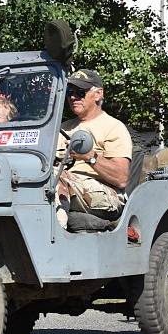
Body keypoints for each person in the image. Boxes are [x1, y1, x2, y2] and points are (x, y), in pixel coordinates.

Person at [55, 69, 132, 228]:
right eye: (70, 92)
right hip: (67, 185)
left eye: (80, 92)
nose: (73, 97)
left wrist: (90, 157)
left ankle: (53, 234)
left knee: (54, 177)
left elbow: (121, 178)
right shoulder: (63, 128)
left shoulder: (113, 127)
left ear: (98, 94)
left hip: (106, 194)